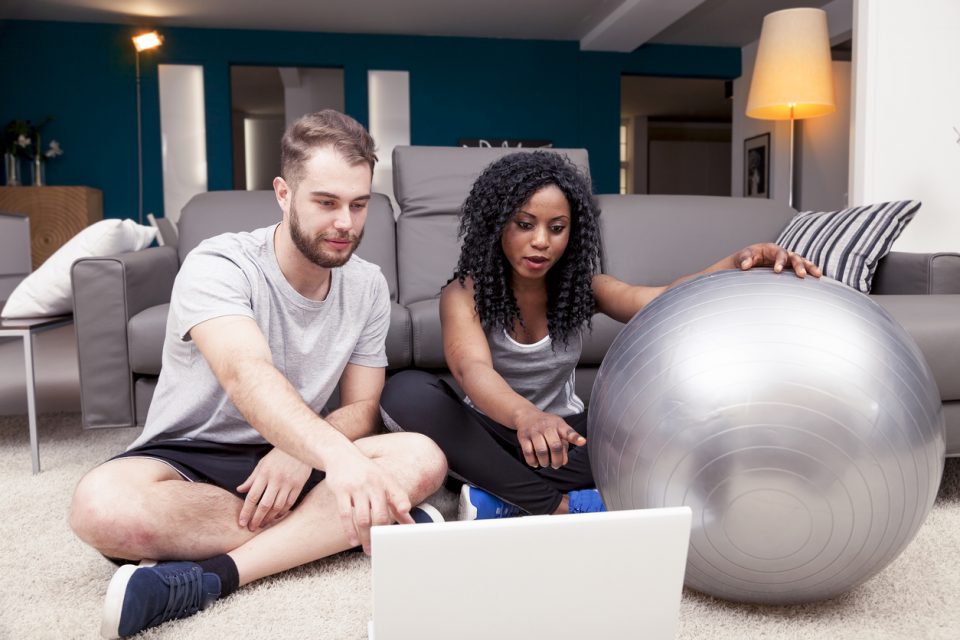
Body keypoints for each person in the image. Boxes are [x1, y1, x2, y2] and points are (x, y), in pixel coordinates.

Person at [68, 110, 447, 639]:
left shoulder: (367, 286)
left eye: (359, 205)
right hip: (190, 454)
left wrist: (300, 451)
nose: (346, 223)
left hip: (299, 456)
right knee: (99, 506)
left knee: (421, 455)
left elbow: (362, 408)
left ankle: (213, 577)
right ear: (284, 194)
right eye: (326, 202)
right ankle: (358, 524)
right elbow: (246, 375)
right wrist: (338, 462)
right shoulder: (218, 263)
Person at [380, 150, 819, 521]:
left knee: (666, 426)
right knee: (406, 392)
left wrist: (738, 261)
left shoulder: (583, 288)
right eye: (524, 224)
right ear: (497, 225)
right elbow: (471, 368)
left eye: (556, 228)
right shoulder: (463, 293)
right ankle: (560, 508)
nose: (541, 242)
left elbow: (661, 299)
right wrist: (527, 418)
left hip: (570, 445)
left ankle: (501, 498)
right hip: (495, 435)